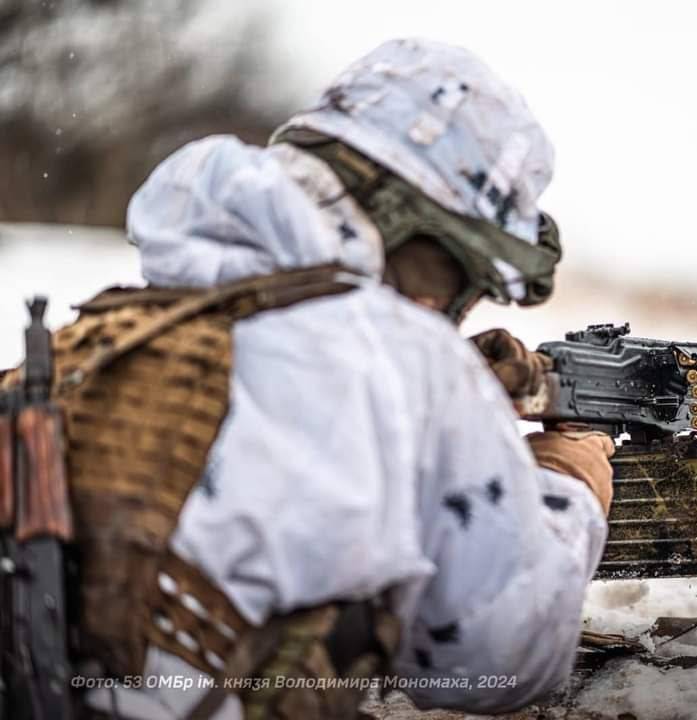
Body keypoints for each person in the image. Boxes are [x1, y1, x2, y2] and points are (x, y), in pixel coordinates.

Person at [3, 39, 614, 720]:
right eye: (457, 275)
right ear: (407, 226)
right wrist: (570, 481)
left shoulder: (106, 334)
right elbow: (498, 661)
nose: (449, 309)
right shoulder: (409, 360)